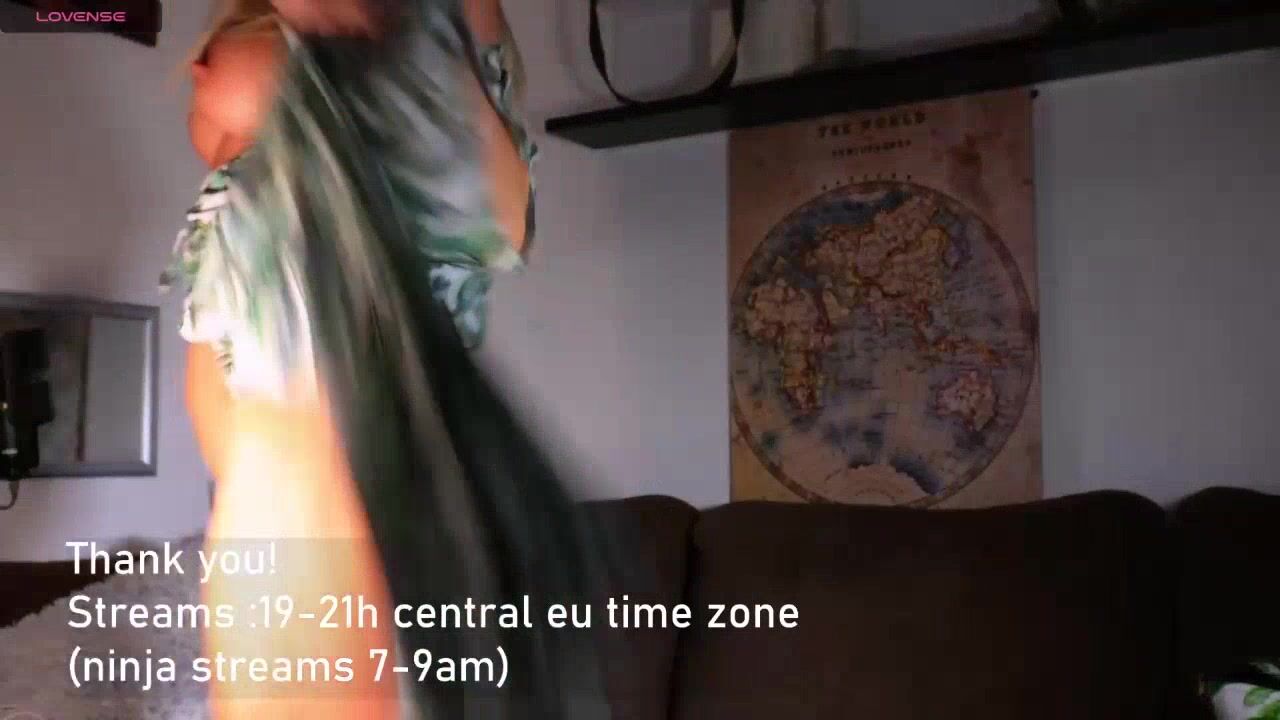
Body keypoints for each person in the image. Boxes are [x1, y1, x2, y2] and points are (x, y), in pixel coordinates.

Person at [165, 1, 564, 718]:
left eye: (246, 31)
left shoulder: (387, 164)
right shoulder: (227, 212)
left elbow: (491, 196)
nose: (193, 65)